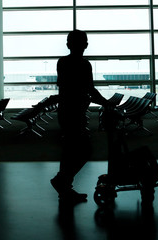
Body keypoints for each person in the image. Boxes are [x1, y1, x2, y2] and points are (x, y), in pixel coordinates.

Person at [51, 30, 110, 203]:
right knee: (84, 150)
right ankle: (62, 181)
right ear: (85, 45)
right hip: (75, 113)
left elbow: (65, 87)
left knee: (69, 150)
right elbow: (90, 89)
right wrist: (105, 103)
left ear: (68, 44)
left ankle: (65, 188)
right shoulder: (85, 65)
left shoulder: (62, 62)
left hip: (66, 112)